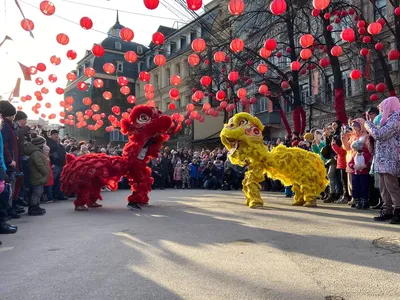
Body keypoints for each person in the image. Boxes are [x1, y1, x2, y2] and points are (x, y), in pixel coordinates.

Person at [364, 97, 400, 224]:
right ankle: (387, 210)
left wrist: (368, 125)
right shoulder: (389, 118)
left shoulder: (396, 117)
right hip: (382, 158)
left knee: (392, 186)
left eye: (384, 106)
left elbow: (380, 134)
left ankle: (398, 211)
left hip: (390, 158)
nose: (382, 109)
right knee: (384, 187)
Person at [24, 136, 50, 216]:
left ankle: (36, 206)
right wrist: (46, 172)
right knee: (37, 192)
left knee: (38, 192)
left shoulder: (37, 152)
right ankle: (33, 207)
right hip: (37, 176)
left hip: (38, 176)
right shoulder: (36, 153)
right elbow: (39, 165)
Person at [348, 138, 372, 209]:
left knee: (364, 187)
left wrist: (365, 166)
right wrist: (353, 166)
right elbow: (350, 162)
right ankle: (357, 200)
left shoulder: (366, 154)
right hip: (355, 173)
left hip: (364, 173)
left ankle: (364, 201)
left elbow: (369, 162)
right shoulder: (354, 154)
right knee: (355, 187)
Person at [46, 130, 67, 200]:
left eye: (57, 134)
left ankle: (58, 194)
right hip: (54, 165)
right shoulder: (49, 144)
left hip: (61, 164)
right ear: (51, 135)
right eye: (54, 134)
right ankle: (50, 196)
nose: (56, 136)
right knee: (52, 181)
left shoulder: (60, 145)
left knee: (59, 181)